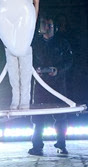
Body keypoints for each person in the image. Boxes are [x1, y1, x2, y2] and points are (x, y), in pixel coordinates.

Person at [28, 14, 73, 156]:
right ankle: (37, 146)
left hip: (57, 84)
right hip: (40, 85)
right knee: (38, 117)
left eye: (49, 25)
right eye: (44, 25)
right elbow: (29, 60)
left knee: (61, 116)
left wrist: (57, 70)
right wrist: (36, 70)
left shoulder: (62, 43)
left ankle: (61, 144)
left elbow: (69, 61)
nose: (46, 28)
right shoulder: (35, 43)